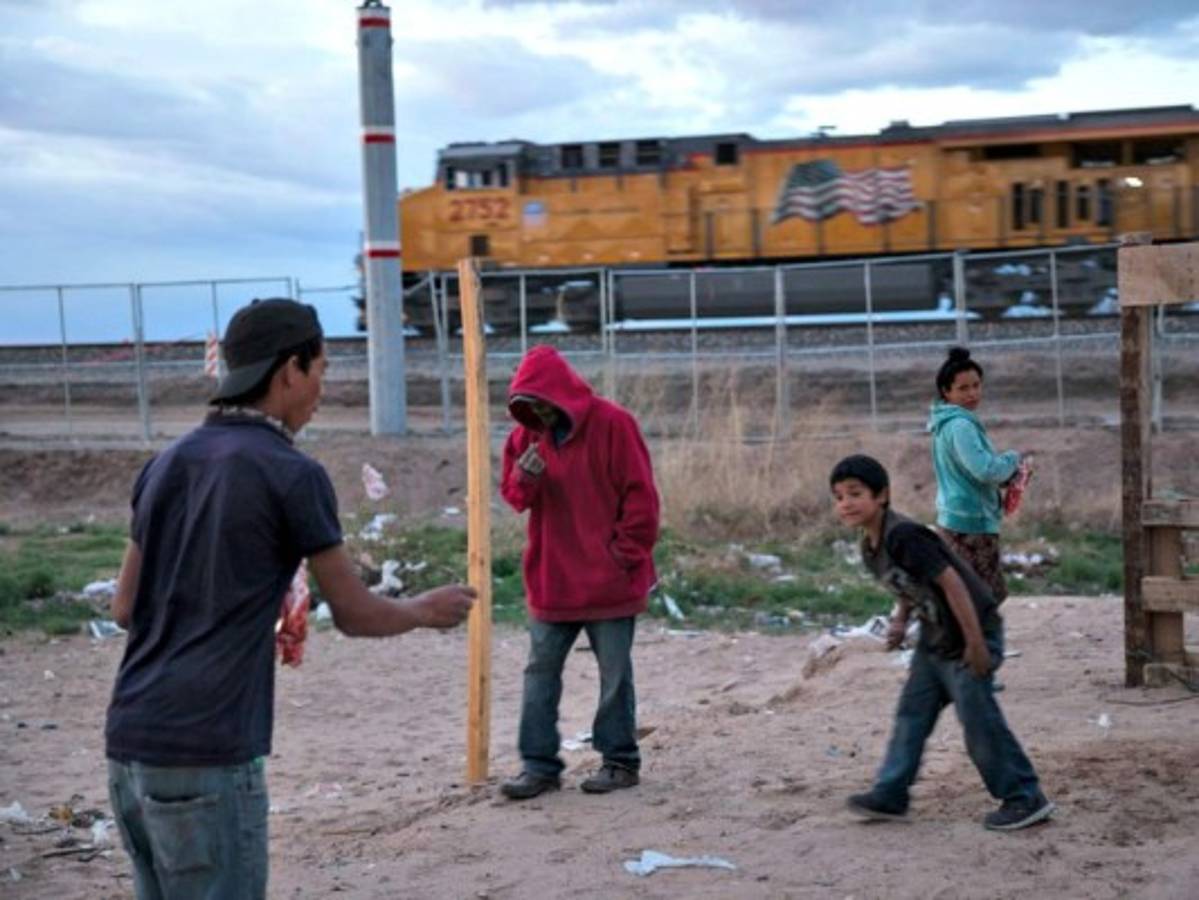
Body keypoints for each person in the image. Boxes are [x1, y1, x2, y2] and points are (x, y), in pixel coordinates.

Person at [104, 298, 475, 899]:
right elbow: (353, 613)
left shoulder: (164, 464)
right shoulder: (290, 473)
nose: (322, 389)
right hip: (210, 751)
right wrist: (423, 611)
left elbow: (125, 608)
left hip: (128, 746)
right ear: (289, 371)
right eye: (322, 370)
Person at [829, 454, 1054, 831]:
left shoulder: (905, 535)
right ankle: (891, 793)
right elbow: (909, 584)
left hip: (969, 634)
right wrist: (900, 621)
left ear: (882, 495)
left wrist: (977, 643)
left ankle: (1024, 797)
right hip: (935, 641)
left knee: (979, 722)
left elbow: (952, 583)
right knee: (911, 716)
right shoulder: (872, 546)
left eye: (855, 493)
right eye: (838, 497)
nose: (846, 504)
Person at [498, 345, 660, 800]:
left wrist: (622, 556)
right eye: (529, 407)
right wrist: (526, 477)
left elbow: (642, 500)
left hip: (609, 578)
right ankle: (539, 767)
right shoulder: (524, 440)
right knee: (539, 673)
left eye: (543, 403)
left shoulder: (613, 425)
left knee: (614, 674)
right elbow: (514, 498)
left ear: (561, 393)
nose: (539, 414)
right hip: (553, 578)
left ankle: (619, 761)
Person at [928, 347, 1023, 605]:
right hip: (971, 522)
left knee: (965, 593)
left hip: (953, 518)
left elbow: (970, 471)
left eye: (976, 385)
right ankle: (975, 643)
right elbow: (985, 470)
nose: (972, 394)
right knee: (985, 597)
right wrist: (1013, 459)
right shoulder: (961, 426)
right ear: (946, 392)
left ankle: (965, 641)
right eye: (963, 388)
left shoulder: (945, 423)